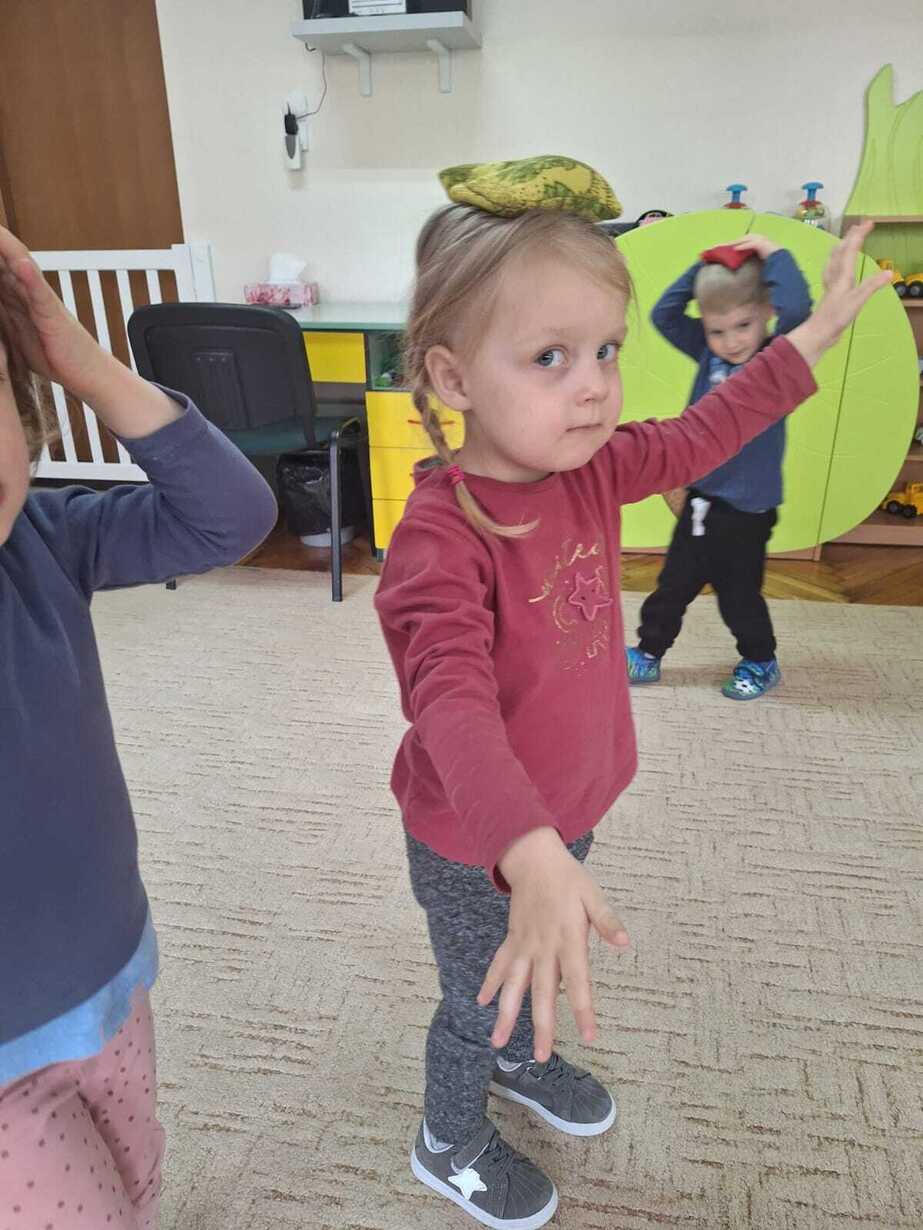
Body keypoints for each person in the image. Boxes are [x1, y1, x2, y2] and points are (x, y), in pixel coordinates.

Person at [373, 169, 885, 1230]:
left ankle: (521, 1062)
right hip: (476, 840)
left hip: (567, 809)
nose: (594, 387)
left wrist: (812, 336)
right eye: (549, 357)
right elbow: (451, 706)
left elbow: (707, 429)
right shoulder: (438, 540)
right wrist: (526, 851)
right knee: (479, 996)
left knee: (537, 965)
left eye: (604, 350)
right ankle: (447, 1137)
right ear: (451, 376)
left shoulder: (593, 466)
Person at [0, 225, 277, 1228]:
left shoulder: (41, 538)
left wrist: (82, 363)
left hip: (110, 976)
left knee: (137, 1179)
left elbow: (228, 518)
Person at [626, 237, 812, 699]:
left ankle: (761, 660)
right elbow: (664, 315)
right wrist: (704, 269)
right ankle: (648, 652)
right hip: (701, 499)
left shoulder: (776, 362)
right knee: (672, 585)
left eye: (743, 325)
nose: (731, 342)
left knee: (737, 596)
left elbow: (799, 308)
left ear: (765, 312)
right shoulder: (709, 354)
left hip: (747, 510)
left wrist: (772, 254)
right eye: (717, 330)